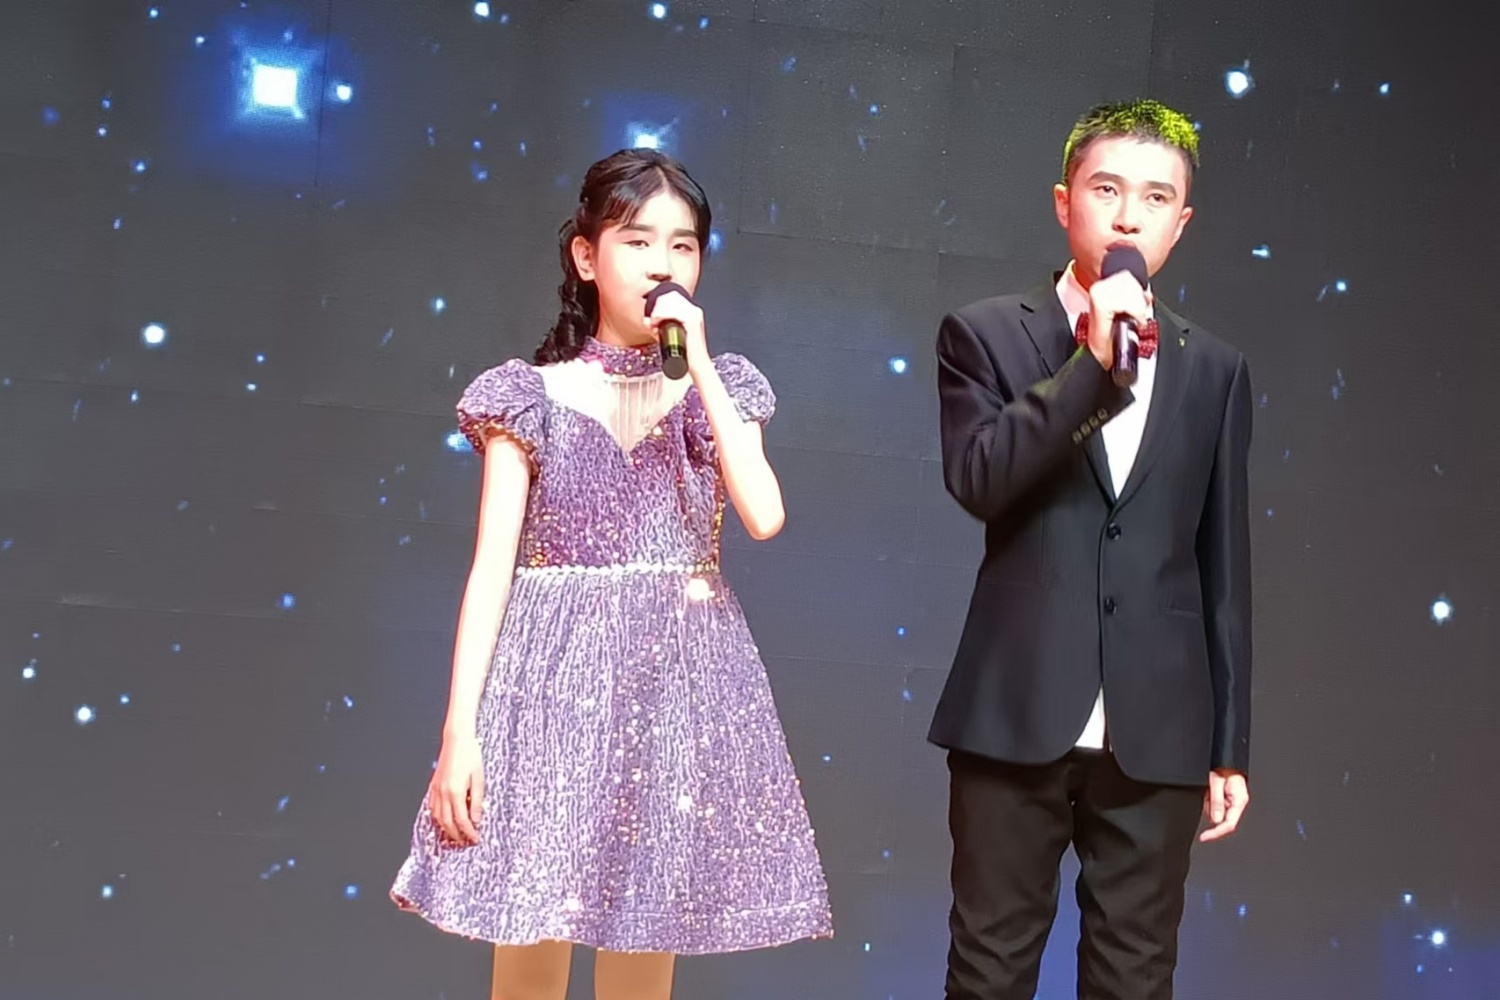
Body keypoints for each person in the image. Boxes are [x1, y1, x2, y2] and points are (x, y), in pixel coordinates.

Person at [390, 148, 832, 1000]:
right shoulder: (528, 396)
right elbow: (491, 571)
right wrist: (459, 733)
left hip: (672, 696)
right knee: (530, 945)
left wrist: (700, 365)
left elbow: (765, 514)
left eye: (683, 245)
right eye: (638, 241)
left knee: (642, 946)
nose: (663, 263)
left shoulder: (718, 391)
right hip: (548, 694)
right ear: (586, 257)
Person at [929, 99, 1253, 1000]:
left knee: (1135, 978)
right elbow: (981, 479)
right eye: (1107, 190)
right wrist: (1092, 369)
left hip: (1161, 728)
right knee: (988, 972)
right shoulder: (985, 333)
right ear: (1064, 202)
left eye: (1156, 198)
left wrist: (1230, 741)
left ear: (1180, 224)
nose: (1128, 217)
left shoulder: (1215, 368)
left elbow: (1224, 566)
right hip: (1015, 710)